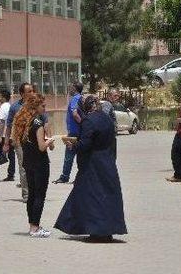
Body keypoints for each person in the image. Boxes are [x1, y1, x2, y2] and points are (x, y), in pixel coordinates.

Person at [55, 95, 127, 242]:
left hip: (92, 165)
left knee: (91, 197)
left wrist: (72, 145)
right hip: (107, 162)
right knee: (106, 197)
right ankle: (108, 230)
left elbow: (85, 145)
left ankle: (95, 231)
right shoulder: (107, 119)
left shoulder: (88, 121)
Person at [12, 93, 55, 238]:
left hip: (28, 162)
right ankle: (35, 227)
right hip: (39, 163)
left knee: (31, 195)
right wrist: (52, 139)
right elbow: (42, 147)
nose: (45, 108)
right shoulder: (37, 123)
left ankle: (32, 225)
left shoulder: (25, 122)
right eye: (43, 106)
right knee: (39, 196)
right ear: (35, 106)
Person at [6, 82, 34, 202]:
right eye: (29, 91)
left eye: (32, 91)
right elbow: (8, 125)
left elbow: (44, 122)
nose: (32, 93)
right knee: (23, 167)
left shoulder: (36, 105)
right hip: (20, 141)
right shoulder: (14, 107)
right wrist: (6, 142)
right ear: (22, 94)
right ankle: (26, 194)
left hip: (34, 141)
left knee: (35, 167)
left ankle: (35, 191)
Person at [53, 81, 84, 184]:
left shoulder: (75, 99)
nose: (69, 89)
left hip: (74, 134)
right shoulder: (81, 98)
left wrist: (82, 123)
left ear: (75, 88)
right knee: (81, 156)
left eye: (71, 87)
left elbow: (75, 114)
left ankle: (64, 177)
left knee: (69, 157)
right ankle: (80, 178)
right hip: (80, 133)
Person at [0, 89, 15, 181]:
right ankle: (11, 174)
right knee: (12, 155)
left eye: (0, 96)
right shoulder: (10, 106)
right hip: (12, 134)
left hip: (5, 134)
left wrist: (0, 136)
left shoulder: (3, 106)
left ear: (3, 98)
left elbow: (2, 122)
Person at [100, 89, 119, 160]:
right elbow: (104, 116)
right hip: (109, 137)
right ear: (109, 96)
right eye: (115, 96)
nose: (117, 98)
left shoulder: (110, 105)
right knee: (111, 158)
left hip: (110, 136)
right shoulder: (107, 104)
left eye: (118, 96)